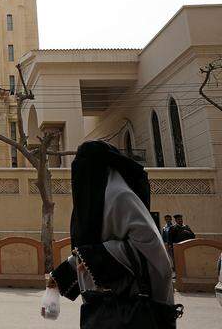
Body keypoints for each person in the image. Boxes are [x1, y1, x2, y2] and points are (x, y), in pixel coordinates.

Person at [47, 141, 181, 328]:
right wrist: (59, 278)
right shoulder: (96, 201)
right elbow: (89, 250)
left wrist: (94, 257)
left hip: (134, 309)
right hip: (104, 308)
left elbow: (152, 252)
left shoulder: (119, 197)